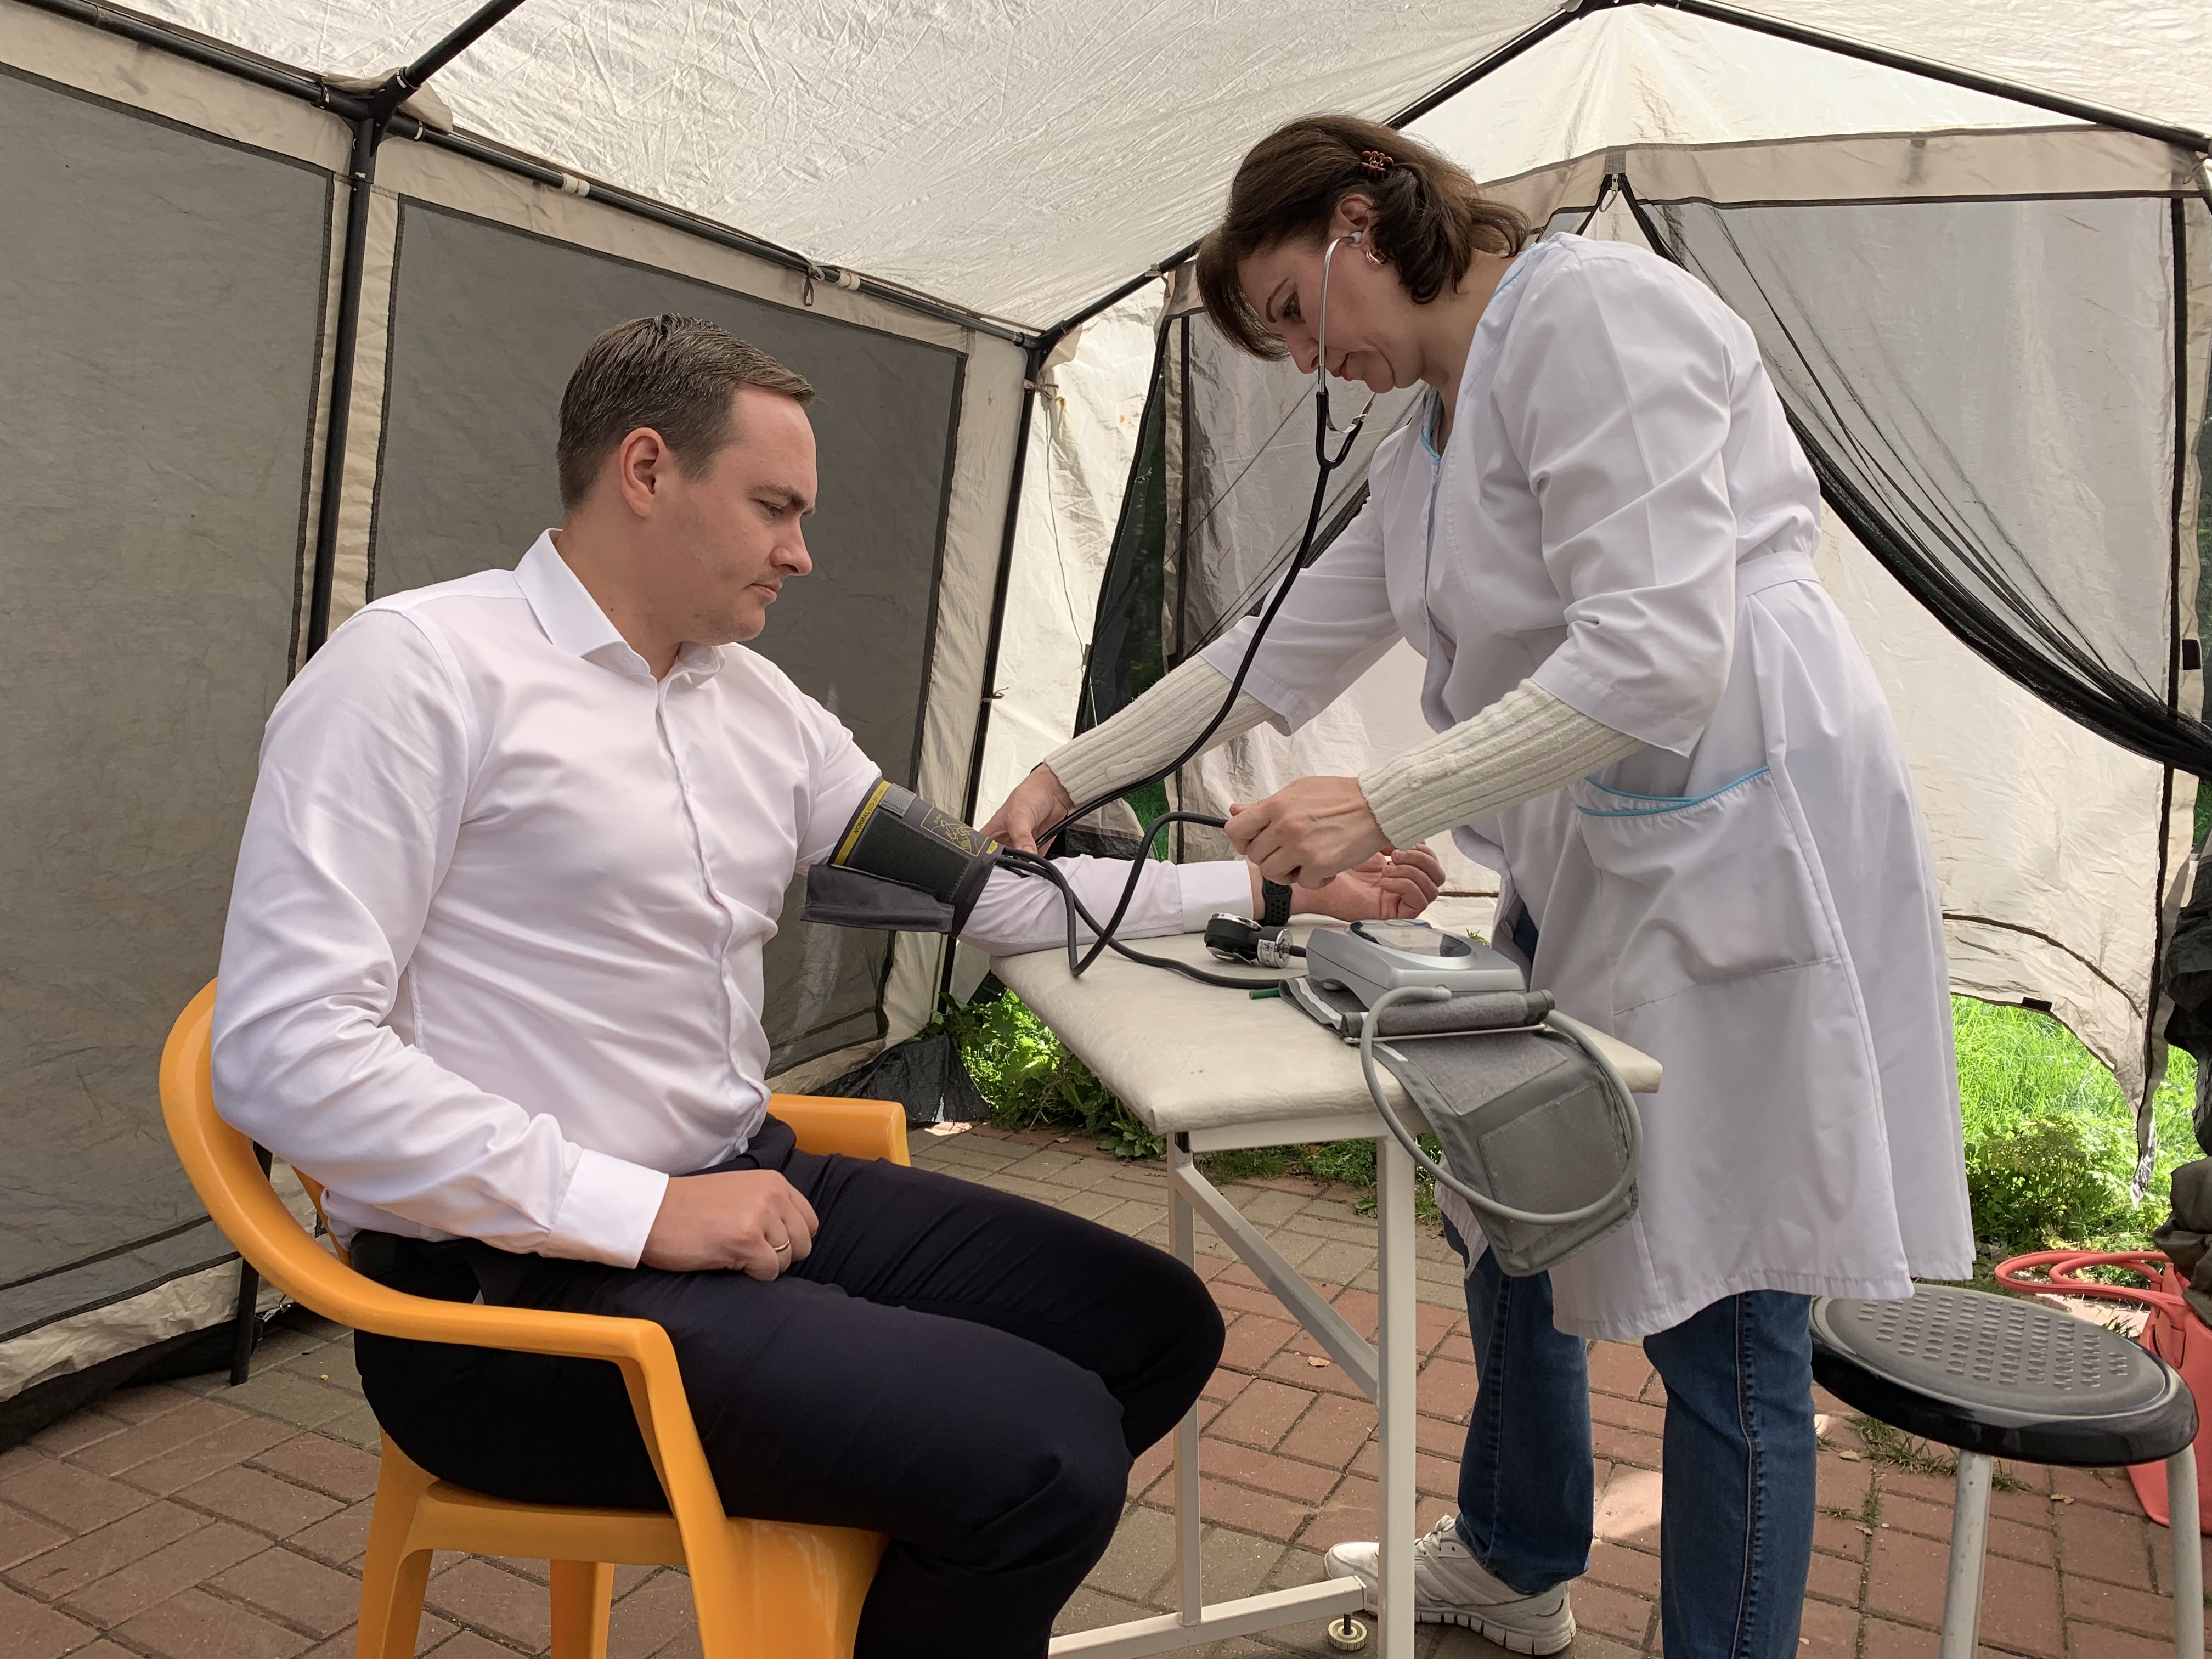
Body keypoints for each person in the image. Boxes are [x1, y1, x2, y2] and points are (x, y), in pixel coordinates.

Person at [211, 314, 1444, 1659]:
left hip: (740, 1182)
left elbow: (994, 892)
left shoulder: (760, 710)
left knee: (1153, 1329)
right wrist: (642, 1212)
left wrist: (1270, 894)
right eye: (775, 508)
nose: (802, 551)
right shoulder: (417, 672)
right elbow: (286, 1054)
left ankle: (885, 1594)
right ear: (646, 470)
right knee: (1044, 1456)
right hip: (502, 1305)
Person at [986, 117, 1971, 1659]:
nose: (1308, 363)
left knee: (1732, 1319)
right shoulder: (1425, 450)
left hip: (1745, 836)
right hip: (1601, 849)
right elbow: (1269, 649)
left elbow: (1657, 657)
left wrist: (1377, 802)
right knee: (1513, 1207)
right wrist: (1065, 776)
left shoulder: (1597, 317)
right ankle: (1517, 1554)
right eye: (1277, 347)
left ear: (1360, 215)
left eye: (1296, 313)